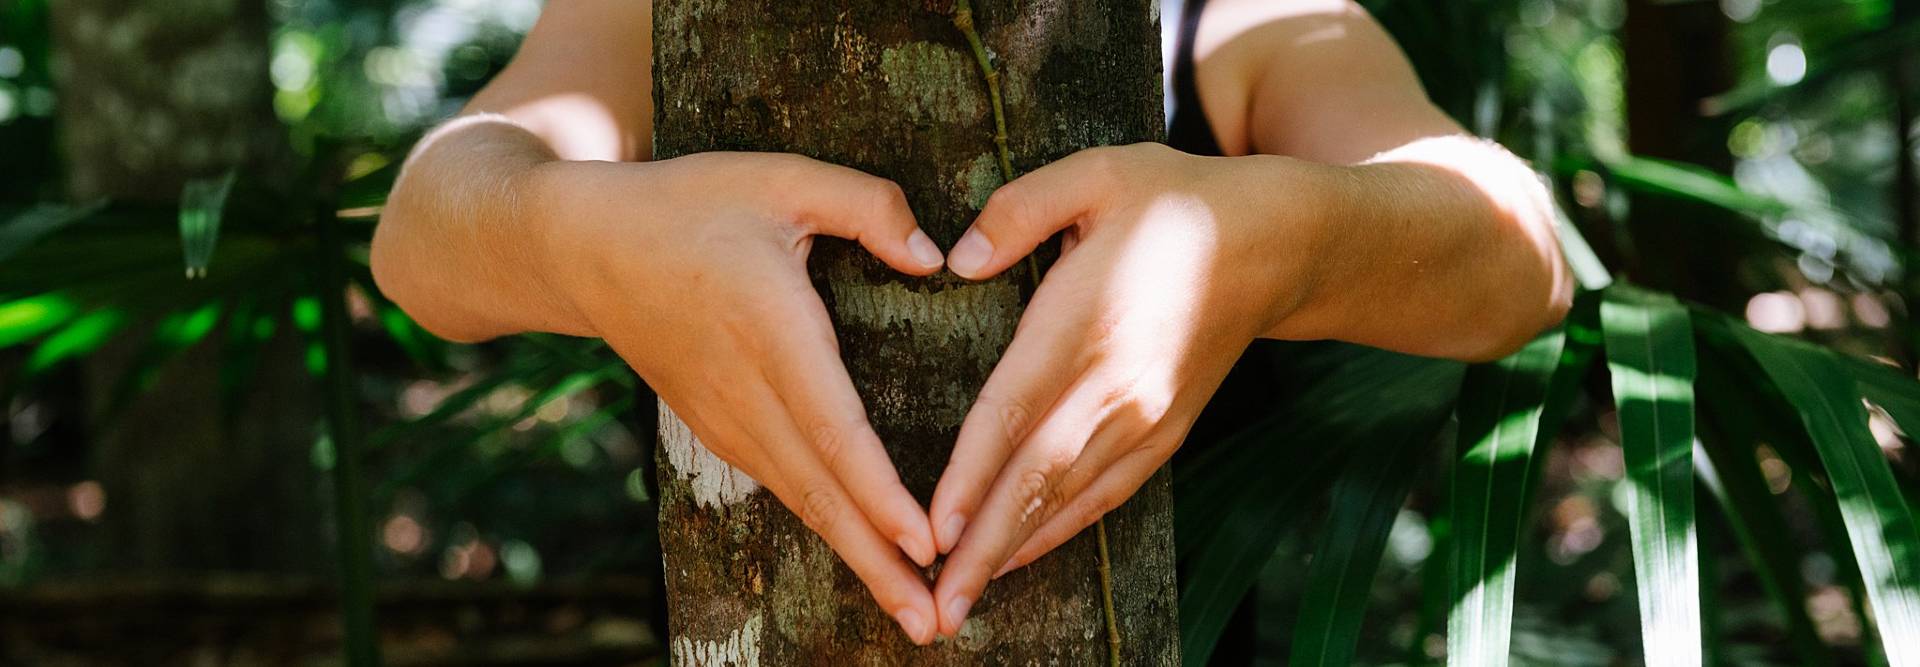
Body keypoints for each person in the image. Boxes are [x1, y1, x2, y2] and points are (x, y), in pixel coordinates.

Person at [371, 0, 1572, 646]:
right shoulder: (656, 12)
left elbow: (1520, 256)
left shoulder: (1240, 20)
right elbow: (423, 228)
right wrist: (581, 238)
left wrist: (1260, 239)